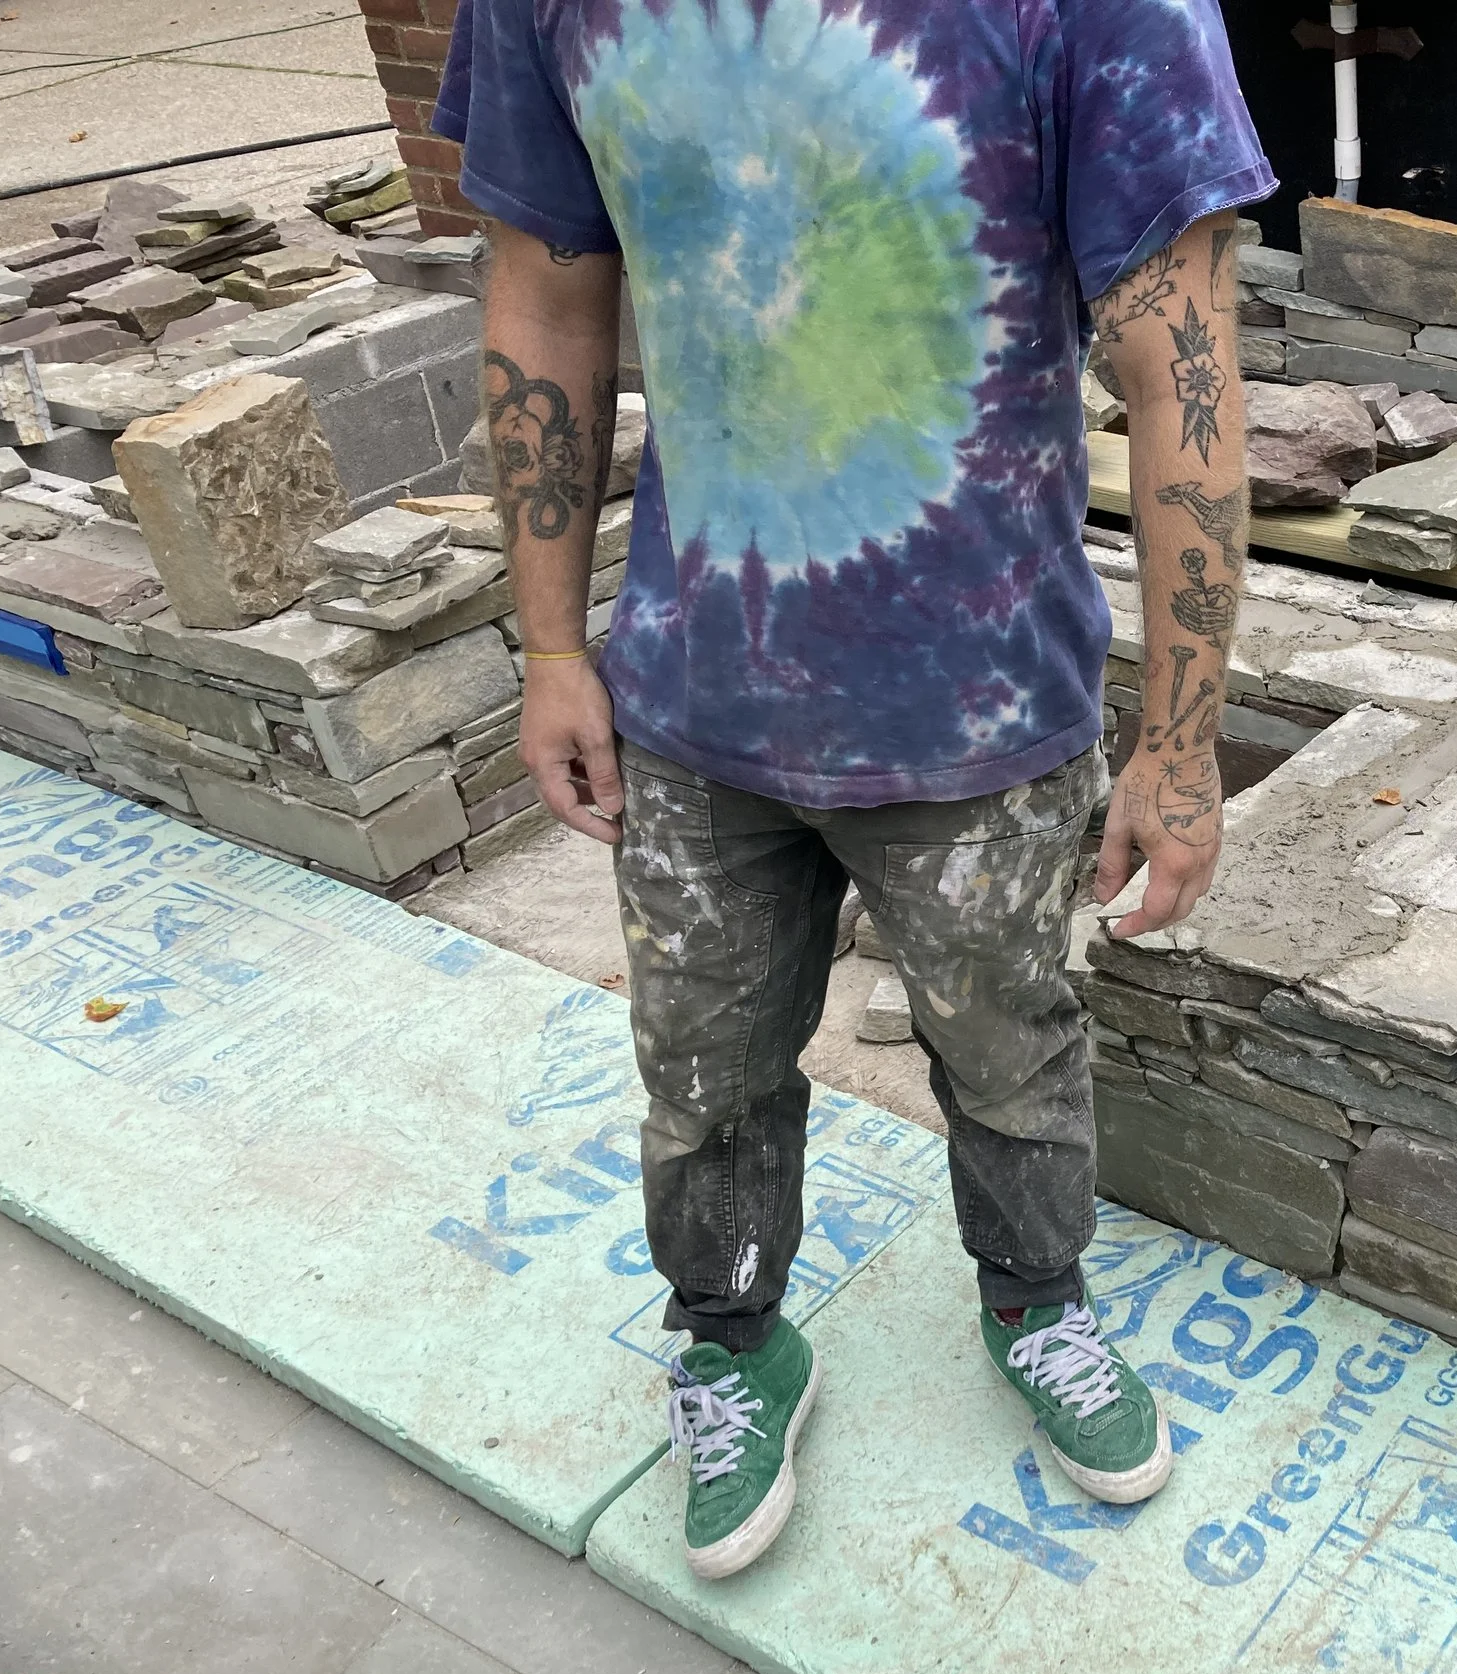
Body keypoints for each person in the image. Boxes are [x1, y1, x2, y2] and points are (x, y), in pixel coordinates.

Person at [433, 0, 1271, 1578]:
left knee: (1010, 1050)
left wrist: (1180, 737)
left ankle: (1037, 1303)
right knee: (702, 1071)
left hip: (984, 712)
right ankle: (735, 1341)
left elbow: (1185, 365)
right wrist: (551, 641)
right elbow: (546, 289)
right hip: (695, 702)